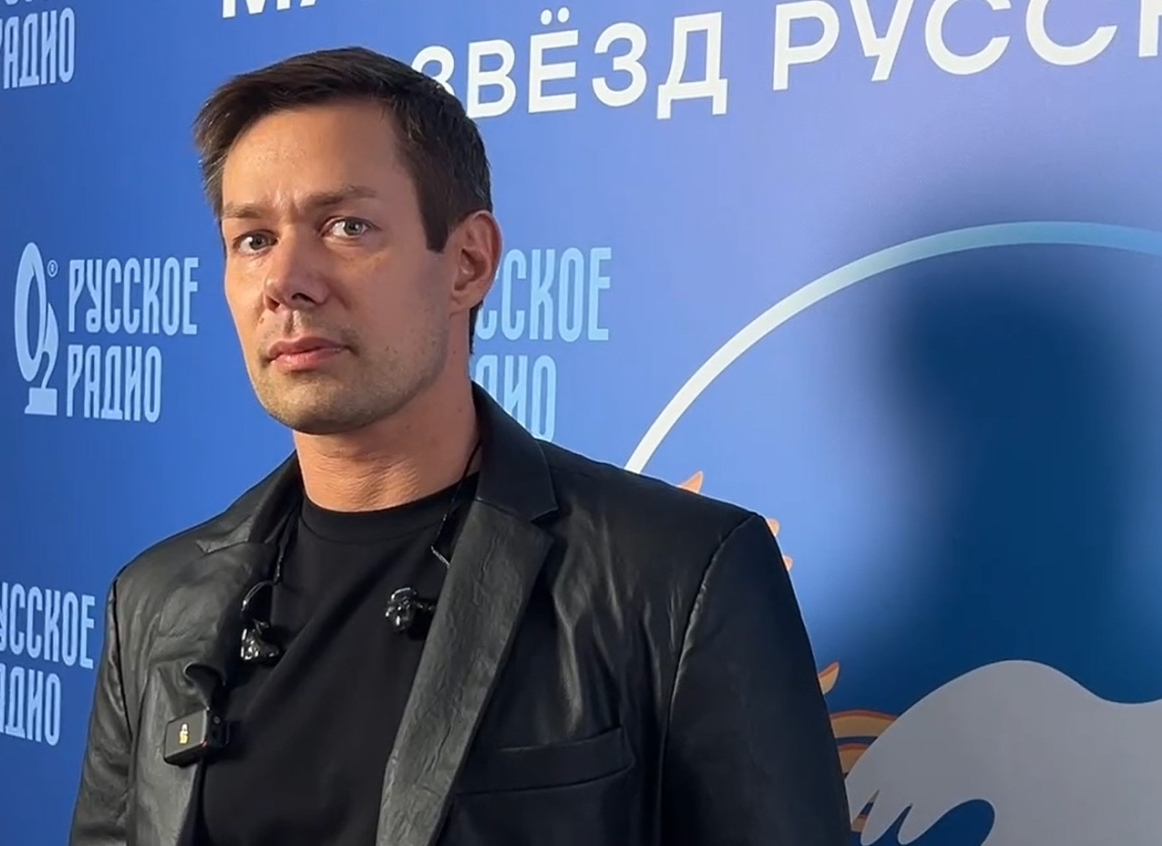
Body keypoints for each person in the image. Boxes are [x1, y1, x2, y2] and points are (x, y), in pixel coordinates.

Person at [68, 45, 851, 846]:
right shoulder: (155, 602)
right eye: (253, 239)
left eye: (346, 227)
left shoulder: (679, 576)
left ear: (468, 263)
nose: (286, 281)